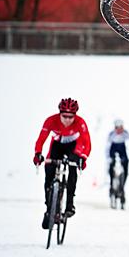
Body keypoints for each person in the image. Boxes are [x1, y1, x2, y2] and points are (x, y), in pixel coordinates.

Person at [34, 98, 91, 229]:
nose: (67, 120)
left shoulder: (80, 122)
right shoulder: (51, 120)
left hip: (73, 147)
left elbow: (87, 142)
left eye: (71, 117)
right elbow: (41, 140)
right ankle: (49, 208)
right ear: (59, 113)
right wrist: (38, 154)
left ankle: (70, 204)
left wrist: (83, 157)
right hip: (56, 146)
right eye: (64, 116)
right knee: (48, 171)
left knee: (72, 169)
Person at [106, 119, 129, 209]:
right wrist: (108, 158)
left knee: (125, 167)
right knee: (111, 167)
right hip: (113, 150)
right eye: (117, 128)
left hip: (123, 150)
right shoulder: (111, 135)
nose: (119, 130)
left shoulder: (126, 134)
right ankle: (111, 187)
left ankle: (122, 189)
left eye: (121, 128)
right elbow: (107, 147)